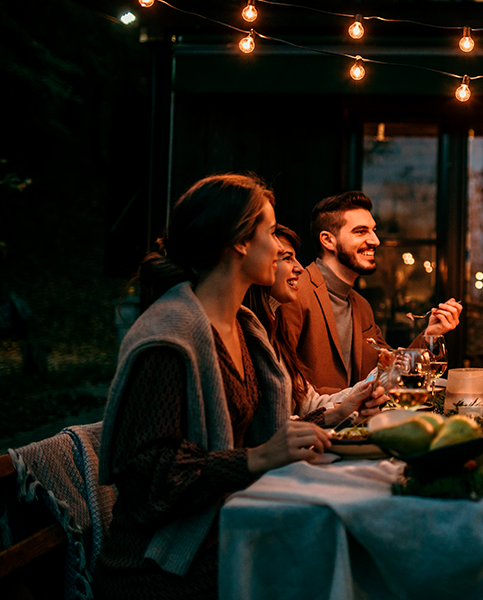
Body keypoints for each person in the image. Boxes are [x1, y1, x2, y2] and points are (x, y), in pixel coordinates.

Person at [94, 174, 333, 599]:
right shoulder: (170, 338)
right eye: (271, 231)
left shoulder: (244, 327)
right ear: (241, 242)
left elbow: (260, 439)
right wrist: (258, 457)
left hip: (226, 529)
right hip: (159, 566)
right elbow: (148, 473)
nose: (280, 246)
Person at [279, 191, 462, 392]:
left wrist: (430, 334)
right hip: (314, 423)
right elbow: (283, 387)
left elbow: (389, 370)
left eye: (373, 230)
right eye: (360, 231)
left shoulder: (361, 306)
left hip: (361, 422)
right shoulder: (293, 292)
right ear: (328, 240)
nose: (375, 240)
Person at [243, 224, 387, 426]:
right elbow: (270, 425)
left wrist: (353, 404)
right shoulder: (254, 325)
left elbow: (305, 401)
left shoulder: (272, 329)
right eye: (360, 231)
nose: (375, 240)